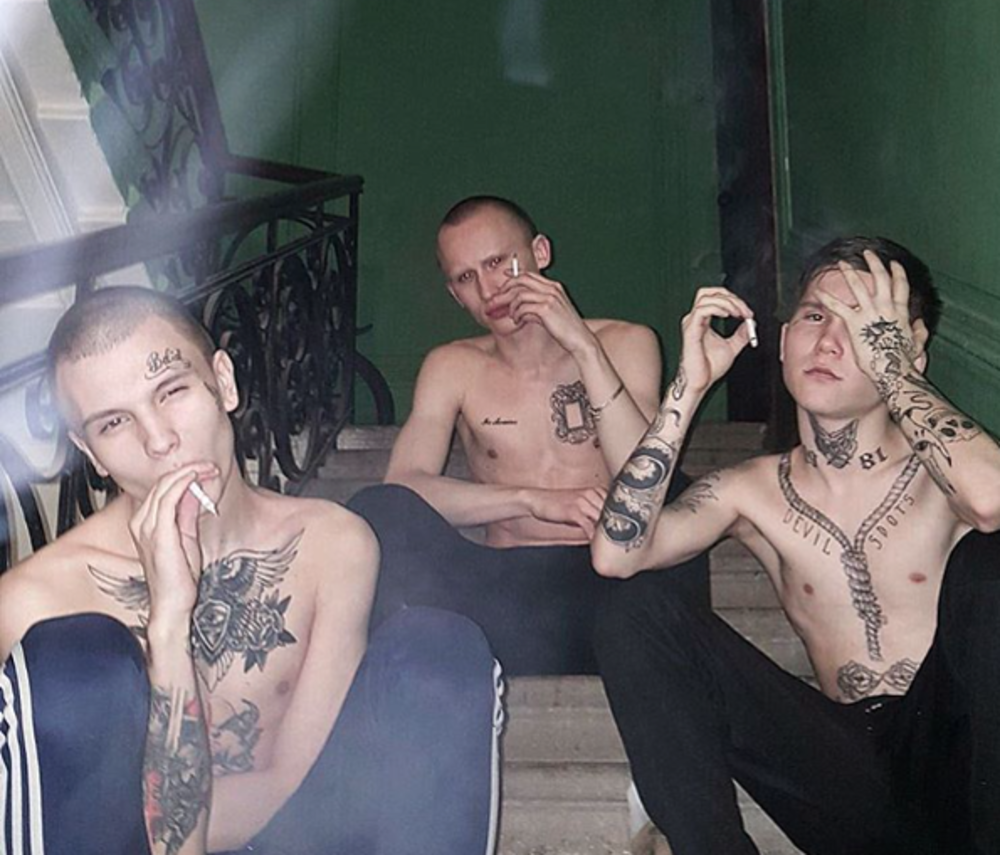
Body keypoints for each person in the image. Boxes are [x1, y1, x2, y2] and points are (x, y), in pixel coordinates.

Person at [0, 286, 501, 855]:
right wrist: (168, 623)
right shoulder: (32, 601)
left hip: (291, 835)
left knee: (439, 647)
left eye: (173, 391)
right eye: (114, 423)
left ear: (224, 382)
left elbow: (294, 784)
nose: (160, 440)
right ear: (89, 451)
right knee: (74, 659)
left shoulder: (331, 546)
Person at [591, 236, 1000, 855]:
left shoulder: (950, 475)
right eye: (814, 316)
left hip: (963, 764)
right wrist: (689, 386)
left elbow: (992, 502)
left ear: (907, 346)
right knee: (634, 611)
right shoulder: (750, 489)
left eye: (861, 323)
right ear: (783, 342)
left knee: (989, 560)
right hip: (846, 774)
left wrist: (895, 370)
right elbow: (616, 556)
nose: (829, 341)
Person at [349, 196, 706, 676]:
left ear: (540, 252)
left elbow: (646, 477)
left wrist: (583, 347)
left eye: (498, 262)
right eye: (466, 278)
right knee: (376, 509)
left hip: (612, 589)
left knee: (680, 490)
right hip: (505, 597)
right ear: (455, 294)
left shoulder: (626, 343)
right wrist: (531, 500)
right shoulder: (452, 366)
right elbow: (404, 487)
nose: (488, 289)